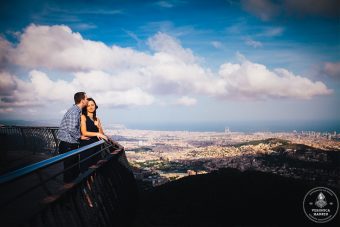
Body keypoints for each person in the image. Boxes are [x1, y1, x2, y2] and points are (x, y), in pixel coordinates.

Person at [57, 92, 88, 183]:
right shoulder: (74, 111)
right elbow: (71, 128)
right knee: (69, 171)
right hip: (68, 144)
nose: (87, 100)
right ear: (82, 100)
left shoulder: (76, 110)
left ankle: (70, 191)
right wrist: (80, 136)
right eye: (86, 99)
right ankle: (68, 193)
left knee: (71, 170)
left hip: (68, 144)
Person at [79, 97, 107, 172]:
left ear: (95, 106)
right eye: (88, 105)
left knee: (95, 170)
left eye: (92, 105)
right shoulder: (83, 117)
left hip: (96, 147)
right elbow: (84, 132)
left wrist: (99, 126)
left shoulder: (97, 119)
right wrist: (97, 133)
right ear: (85, 107)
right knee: (86, 170)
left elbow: (102, 134)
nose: (91, 107)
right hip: (87, 146)